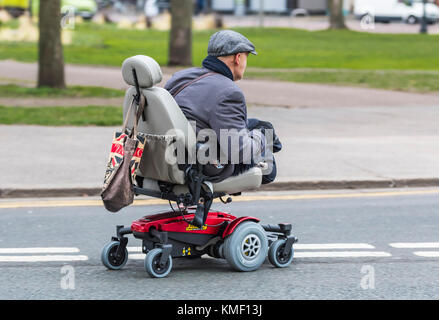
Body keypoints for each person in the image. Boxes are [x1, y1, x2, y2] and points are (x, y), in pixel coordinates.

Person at [164, 30, 281, 184]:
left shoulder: (181, 77)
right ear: (238, 58)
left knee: (260, 125)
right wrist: (263, 138)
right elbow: (240, 152)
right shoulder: (228, 92)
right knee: (269, 166)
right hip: (204, 164)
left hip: (174, 152)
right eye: (247, 57)